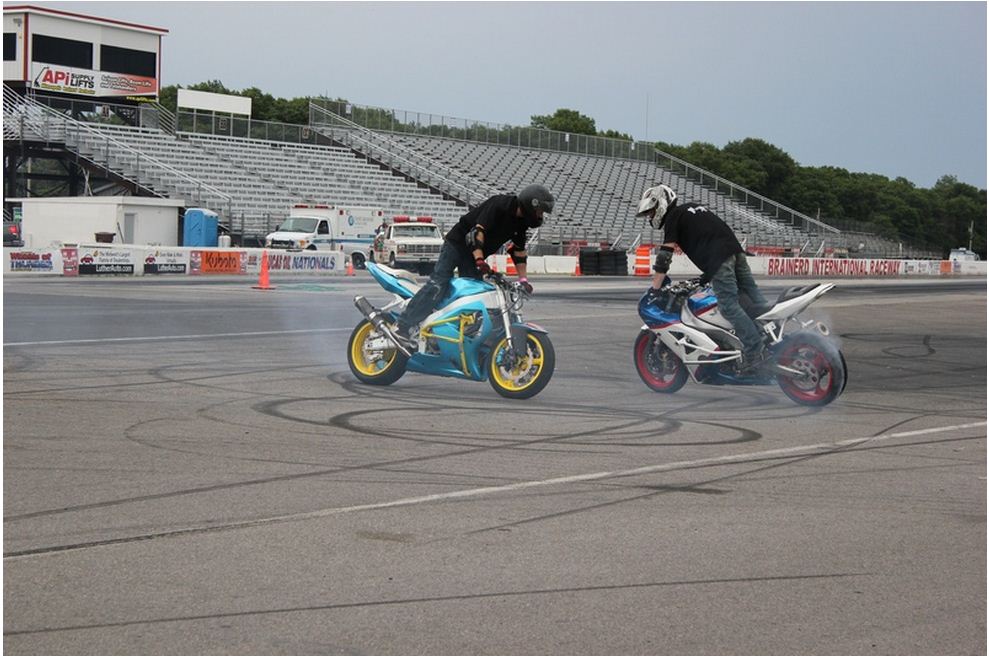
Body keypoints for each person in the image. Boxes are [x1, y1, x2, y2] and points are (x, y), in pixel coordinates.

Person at [393, 184, 555, 349]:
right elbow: (475, 233)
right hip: (457, 244)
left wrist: (523, 280)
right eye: (540, 211)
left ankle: (452, 336)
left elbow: (518, 251)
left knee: (475, 295)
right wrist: (479, 260)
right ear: (530, 204)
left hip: (474, 255)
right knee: (438, 283)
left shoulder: (520, 223)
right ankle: (402, 325)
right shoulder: (500, 205)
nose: (540, 216)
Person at [636, 184, 770, 373]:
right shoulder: (692, 209)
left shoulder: (673, 216)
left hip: (720, 259)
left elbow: (665, 255)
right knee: (755, 301)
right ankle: (772, 341)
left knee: (728, 306)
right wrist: (706, 277)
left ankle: (754, 352)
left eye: (651, 212)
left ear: (661, 203)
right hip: (736, 253)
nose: (650, 217)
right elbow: (711, 236)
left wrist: (655, 288)